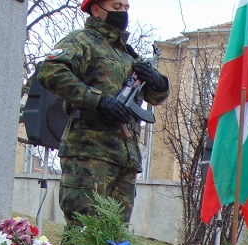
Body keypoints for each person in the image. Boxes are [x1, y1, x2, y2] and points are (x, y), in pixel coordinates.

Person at [38, 0, 169, 233]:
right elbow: (50, 72)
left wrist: (158, 82)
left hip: (125, 156)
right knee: (83, 231)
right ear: (96, 10)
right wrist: (97, 100)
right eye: (116, 7)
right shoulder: (82, 41)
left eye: (126, 7)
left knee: (116, 235)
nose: (123, 12)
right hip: (89, 153)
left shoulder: (128, 55)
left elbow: (153, 96)